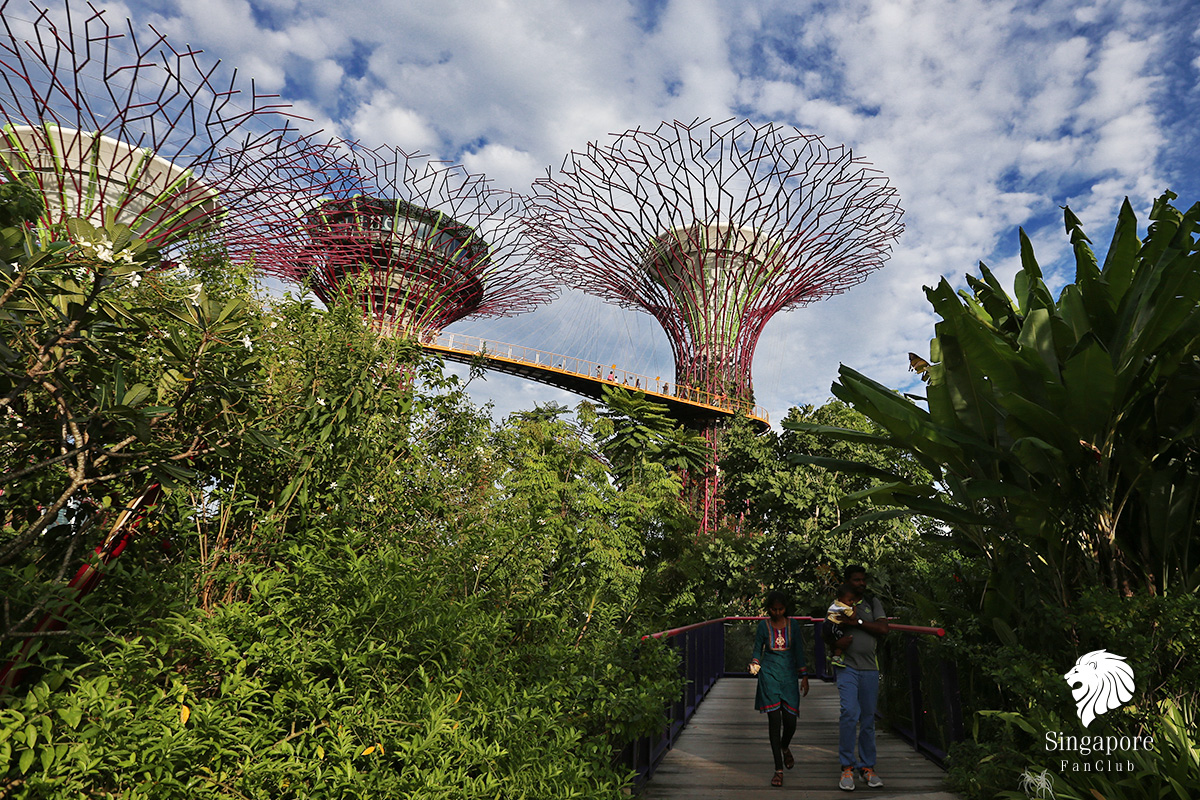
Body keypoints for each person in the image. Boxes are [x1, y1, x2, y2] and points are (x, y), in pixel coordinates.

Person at [833, 565, 888, 791]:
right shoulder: (839, 605)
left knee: (867, 718)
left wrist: (858, 623)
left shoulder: (872, 603)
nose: (861, 584)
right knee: (848, 713)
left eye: (863, 580)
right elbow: (827, 631)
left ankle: (867, 767)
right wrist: (837, 644)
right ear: (847, 582)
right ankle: (847, 766)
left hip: (869, 668)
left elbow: (884, 629)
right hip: (847, 667)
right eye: (856, 580)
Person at [749, 591, 810, 787]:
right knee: (774, 721)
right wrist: (755, 663)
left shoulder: (793, 625)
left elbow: (799, 651)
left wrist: (804, 676)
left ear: (785, 609)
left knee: (790, 721)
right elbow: (758, 649)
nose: (776, 612)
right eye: (773, 609)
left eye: (780, 609)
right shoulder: (763, 626)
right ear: (769, 609)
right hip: (769, 674)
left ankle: (784, 747)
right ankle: (778, 769)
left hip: (789, 675)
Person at [822, 583, 857, 669]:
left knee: (833, 638)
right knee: (841, 639)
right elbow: (852, 616)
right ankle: (836, 657)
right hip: (833, 625)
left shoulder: (835, 603)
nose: (851, 602)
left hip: (827, 624)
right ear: (841, 599)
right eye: (850, 600)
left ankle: (831, 653)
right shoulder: (844, 607)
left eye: (853, 600)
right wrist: (855, 608)